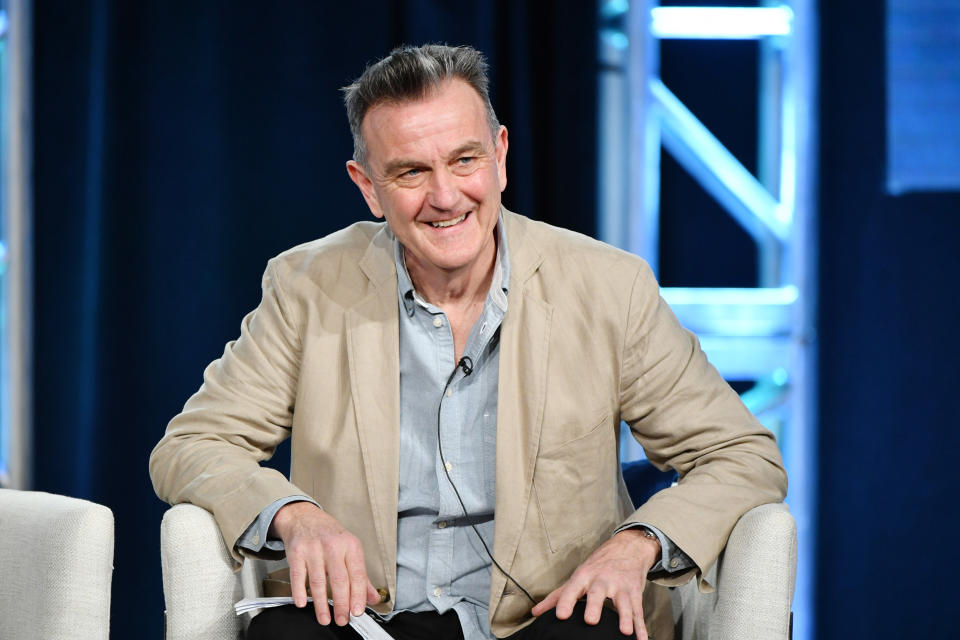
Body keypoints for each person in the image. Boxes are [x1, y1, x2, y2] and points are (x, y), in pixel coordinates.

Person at [149, 44, 787, 640]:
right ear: (368, 187)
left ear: (501, 155)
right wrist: (295, 513)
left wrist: (638, 541)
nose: (445, 196)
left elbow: (742, 456)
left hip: (547, 618)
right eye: (410, 173)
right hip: (371, 617)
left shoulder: (607, 286)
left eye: (464, 159)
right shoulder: (307, 285)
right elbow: (192, 445)